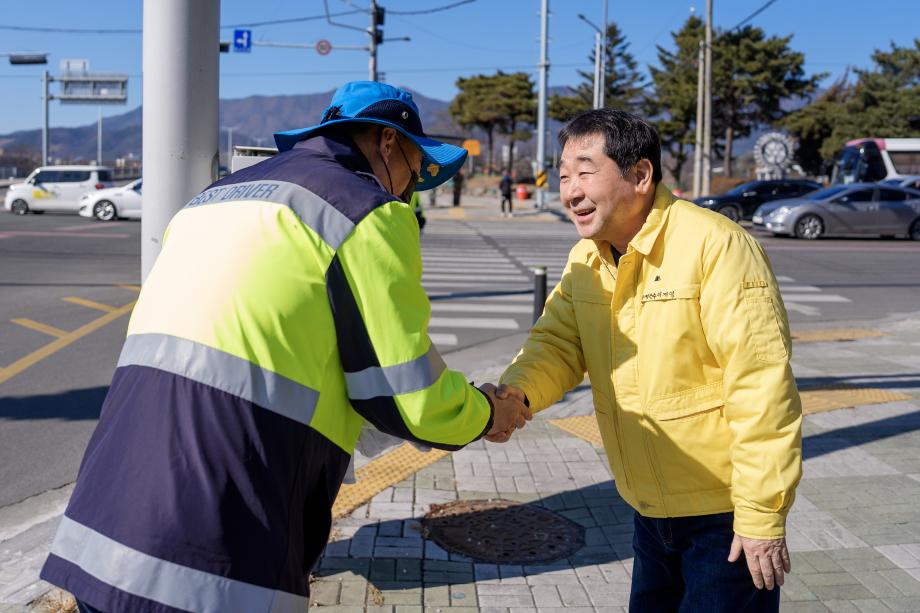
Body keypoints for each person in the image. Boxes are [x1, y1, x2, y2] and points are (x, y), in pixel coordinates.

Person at [40, 81, 531, 613]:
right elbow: (410, 398)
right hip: (211, 545)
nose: (410, 192)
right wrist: (488, 412)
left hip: (102, 524)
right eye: (415, 173)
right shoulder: (366, 211)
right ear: (388, 141)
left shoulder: (212, 199)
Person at [494, 109, 802, 612]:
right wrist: (513, 396)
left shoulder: (716, 246)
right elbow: (558, 344)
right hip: (648, 508)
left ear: (640, 175)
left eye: (585, 172)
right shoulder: (586, 258)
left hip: (723, 516)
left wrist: (761, 517)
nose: (570, 191)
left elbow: (761, 387)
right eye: (564, 175)